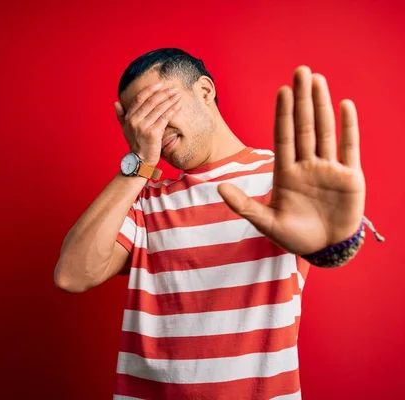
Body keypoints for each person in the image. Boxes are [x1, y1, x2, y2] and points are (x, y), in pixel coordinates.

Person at [54, 48, 383, 399]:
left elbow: (329, 242)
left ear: (205, 91)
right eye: (138, 120)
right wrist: (138, 163)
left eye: (158, 107)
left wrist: (336, 243)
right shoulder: (142, 198)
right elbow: (72, 275)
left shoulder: (284, 178)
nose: (150, 129)